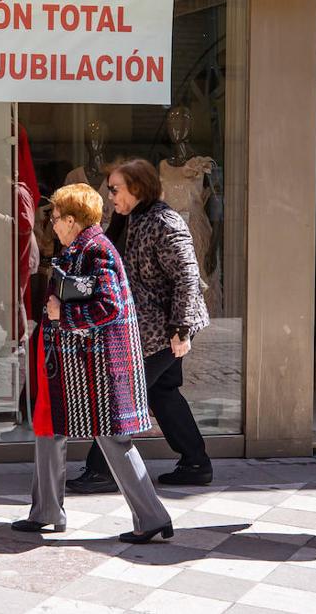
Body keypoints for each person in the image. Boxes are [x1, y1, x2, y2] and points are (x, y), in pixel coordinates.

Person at [14, 183, 174, 543]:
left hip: (99, 368)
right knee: (50, 430)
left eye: (55, 218)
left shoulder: (97, 249)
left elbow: (109, 307)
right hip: (77, 366)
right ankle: (46, 511)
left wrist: (62, 314)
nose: (52, 224)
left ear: (71, 220)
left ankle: (152, 516)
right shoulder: (82, 246)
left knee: (114, 439)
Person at [68, 159, 212, 494]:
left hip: (162, 331)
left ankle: (102, 470)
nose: (110, 195)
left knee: (122, 395)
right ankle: (196, 462)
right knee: (162, 393)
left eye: (116, 189)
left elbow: (187, 279)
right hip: (145, 328)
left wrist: (181, 329)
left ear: (137, 188)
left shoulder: (164, 222)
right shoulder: (129, 219)